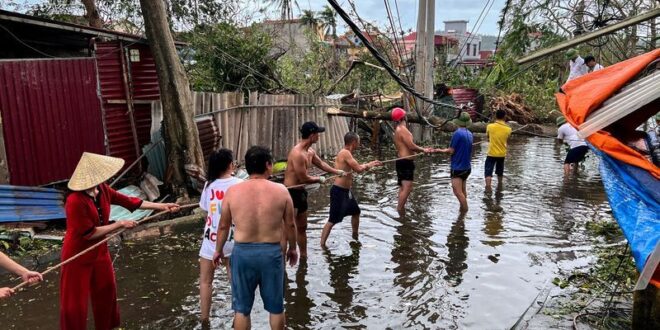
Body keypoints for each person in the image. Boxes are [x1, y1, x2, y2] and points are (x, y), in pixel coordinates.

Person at [61, 152, 180, 330]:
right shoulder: (75, 201)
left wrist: (161, 206)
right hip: (78, 254)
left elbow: (129, 201)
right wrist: (119, 224)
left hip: (99, 250)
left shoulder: (102, 189)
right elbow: (89, 233)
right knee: (74, 304)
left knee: (107, 291)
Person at [214, 146, 298, 330]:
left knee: (242, 309)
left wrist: (218, 251)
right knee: (276, 307)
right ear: (268, 165)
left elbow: (223, 226)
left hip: (243, 254)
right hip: (271, 253)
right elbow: (291, 224)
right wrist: (293, 248)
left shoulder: (233, 192)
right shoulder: (281, 191)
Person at [284, 121, 345, 258]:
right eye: (318, 133)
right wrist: (318, 179)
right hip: (291, 193)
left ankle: (304, 257)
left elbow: (321, 164)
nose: (319, 136)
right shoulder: (298, 153)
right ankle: (282, 260)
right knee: (288, 229)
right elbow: (303, 177)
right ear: (312, 135)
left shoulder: (310, 151)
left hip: (301, 193)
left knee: (302, 227)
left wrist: (336, 171)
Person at [198, 149, 243, 323]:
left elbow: (205, 211)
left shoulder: (209, 185)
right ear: (230, 165)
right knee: (235, 281)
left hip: (211, 239)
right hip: (234, 238)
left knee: (205, 281)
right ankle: (237, 318)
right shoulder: (240, 183)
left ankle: (204, 320)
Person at [320, 132, 382, 248]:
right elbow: (358, 169)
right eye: (358, 142)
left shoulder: (346, 153)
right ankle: (322, 245)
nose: (359, 144)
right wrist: (371, 164)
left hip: (345, 192)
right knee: (332, 220)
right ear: (354, 142)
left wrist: (369, 164)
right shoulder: (345, 153)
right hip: (338, 191)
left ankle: (355, 236)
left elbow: (356, 167)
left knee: (356, 212)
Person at [392, 107, 434, 213]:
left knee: (403, 187)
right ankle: (400, 210)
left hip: (401, 161)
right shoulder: (403, 130)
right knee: (407, 187)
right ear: (404, 117)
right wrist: (423, 149)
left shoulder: (398, 129)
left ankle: (400, 208)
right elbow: (411, 146)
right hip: (405, 162)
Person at [441, 112, 474, 212]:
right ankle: (462, 210)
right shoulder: (470, 133)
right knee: (463, 190)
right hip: (467, 167)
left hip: (458, 168)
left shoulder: (457, 133)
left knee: (457, 191)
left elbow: (451, 151)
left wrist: (438, 150)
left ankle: (464, 211)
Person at [484, 109, 512, 190]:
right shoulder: (508, 129)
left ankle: (488, 189)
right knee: (500, 172)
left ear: (495, 116)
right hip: (501, 154)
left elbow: (488, 138)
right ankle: (500, 186)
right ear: (504, 117)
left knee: (488, 172)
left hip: (491, 153)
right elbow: (507, 139)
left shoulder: (489, 126)